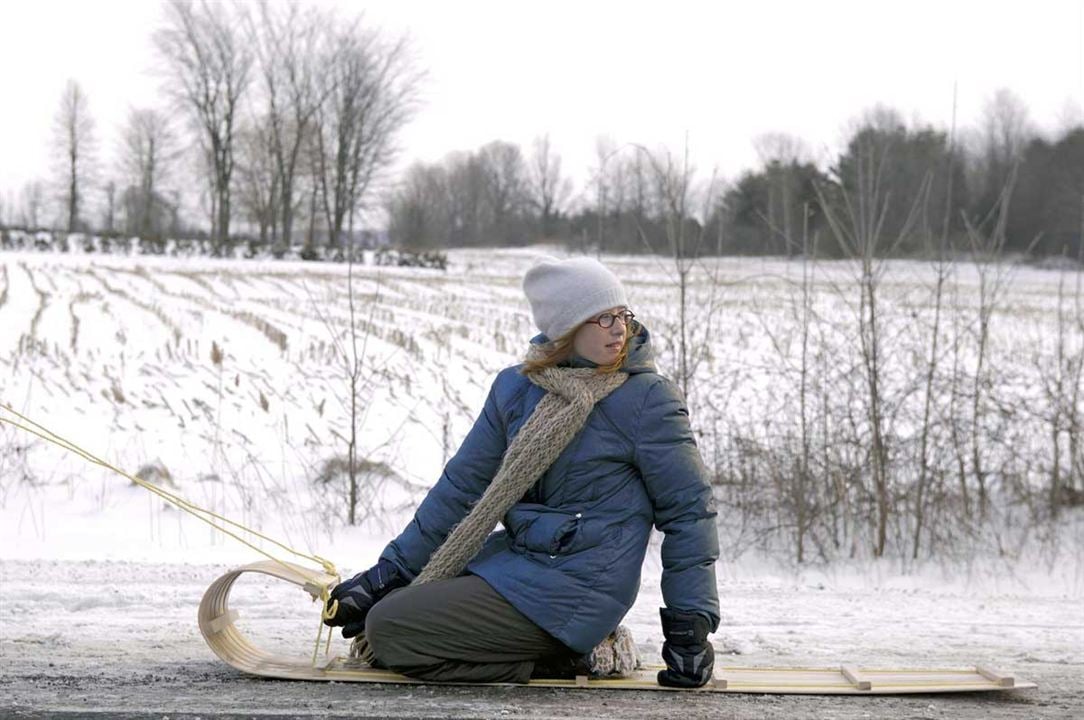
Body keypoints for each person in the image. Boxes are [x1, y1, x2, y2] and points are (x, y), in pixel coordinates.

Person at [323, 256, 720, 687]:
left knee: (391, 629)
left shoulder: (646, 399)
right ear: (564, 329)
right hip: (517, 563)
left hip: (580, 587)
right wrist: (389, 573)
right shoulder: (516, 389)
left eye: (623, 315)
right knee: (403, 598)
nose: (619, 328)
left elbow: (689, 514)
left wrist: (689, 629)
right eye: (602, 318)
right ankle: (555, 650)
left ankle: (568, 659)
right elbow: (462, 490)